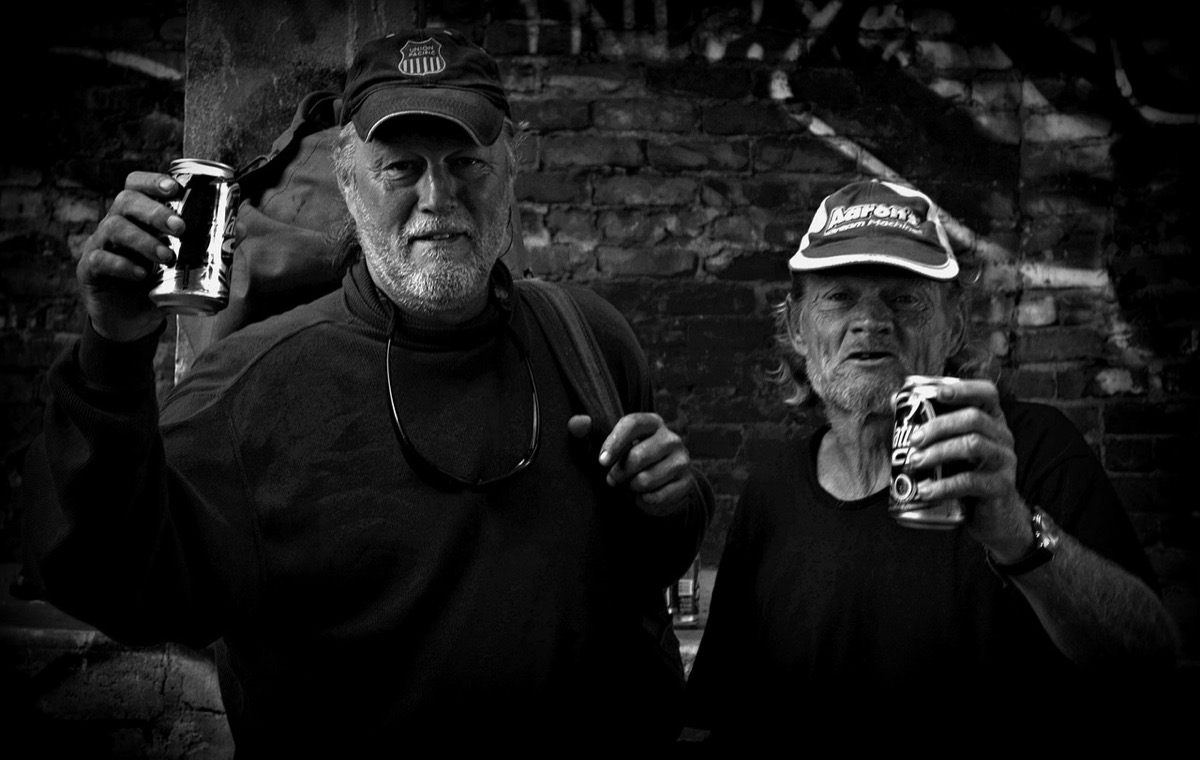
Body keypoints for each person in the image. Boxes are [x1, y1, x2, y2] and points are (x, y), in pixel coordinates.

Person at [19, 28, 712, 753]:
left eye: (468, 162)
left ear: (511, 169)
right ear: (350, 185)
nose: (438, 197)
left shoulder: (589, 337)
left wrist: (668, 503)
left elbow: (647, 556)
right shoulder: (252, 388)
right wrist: (112, 352)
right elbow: (106, 577)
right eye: (400, 167)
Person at [683, 179, 1181, 747]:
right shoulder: (774, 488)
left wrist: (1016, 534)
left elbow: (1150, 660)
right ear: (798, 327)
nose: (871, 321)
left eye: (904, 298)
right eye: (840, 296)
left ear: (953, 326)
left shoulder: (1030, 450)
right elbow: (723, 714)